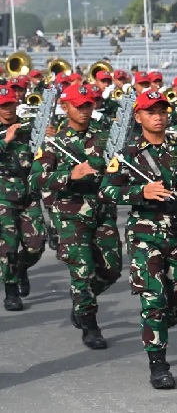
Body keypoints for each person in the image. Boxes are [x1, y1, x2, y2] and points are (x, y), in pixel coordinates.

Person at [98, 90, 177, 388]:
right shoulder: (128, 155)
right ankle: (158, 363)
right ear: (138, 117)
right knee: (154, 298)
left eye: (162, 110)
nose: (158, 116)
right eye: (150, 111)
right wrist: (140, 193)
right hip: (145, 234)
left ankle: (155, 327)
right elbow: (106, 191)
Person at [30, 84, 122, 349]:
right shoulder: (53, 142)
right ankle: (90, 323)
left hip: (102, 211)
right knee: (83, 269)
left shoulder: (105, 138)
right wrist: (70, 175)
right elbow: (36, 178)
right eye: (78, 105)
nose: (84, 110)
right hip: (70, 214)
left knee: (111, 269)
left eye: (88, 105)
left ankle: (81, 300)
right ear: (65, 107)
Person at [0, 86, 46, 311]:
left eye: (10, 104)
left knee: (36, 245)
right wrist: (5, 140)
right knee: (7, 247)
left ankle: (20, 268)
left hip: (28, 192)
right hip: (2, 195)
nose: (7, 109)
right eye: (3, 106)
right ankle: (10, 291)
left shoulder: (29, 128)